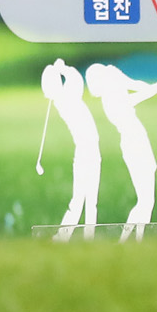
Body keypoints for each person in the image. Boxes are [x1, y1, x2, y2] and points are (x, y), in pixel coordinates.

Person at [84, 62, 157, 240]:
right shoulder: (111, 103)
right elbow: (133, 99)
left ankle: (134, 240)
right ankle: (127, 241)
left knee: (147, 201)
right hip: (133, 144)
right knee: (145, 201)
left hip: (138, 139)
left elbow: (135, 85)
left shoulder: (114, 88)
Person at [40, 59, 100, 240]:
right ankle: (62, 236)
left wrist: (59, 70)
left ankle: (86, 236)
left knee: (90, 201)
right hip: (85, 153)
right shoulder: (66, 99)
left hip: (91, 152)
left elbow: (74, 81)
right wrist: (62, 68)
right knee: (80, 200)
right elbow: (75, 79)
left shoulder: (64, 98)